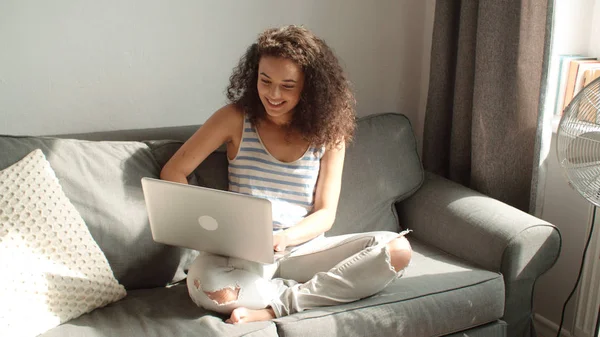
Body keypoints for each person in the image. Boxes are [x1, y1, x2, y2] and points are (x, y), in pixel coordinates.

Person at [160, 25, 412, 324]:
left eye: (288, 85)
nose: (273, 94)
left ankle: (276, 306)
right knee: (203, 286)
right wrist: (206, 228)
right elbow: (174, 170)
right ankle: (315, 294)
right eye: (264, 81)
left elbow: (325, 213)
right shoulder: (235, 118)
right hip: (242, 255)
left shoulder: (330, 134)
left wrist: (285, 237)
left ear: (309, 87)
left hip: (304, 251)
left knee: (397, 251)